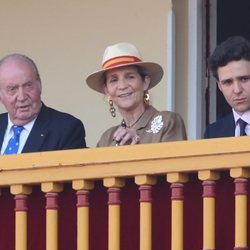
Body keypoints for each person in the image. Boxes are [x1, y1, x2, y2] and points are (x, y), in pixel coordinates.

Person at [86, 42, 187, 146]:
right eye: (114, 80)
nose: (122, 86)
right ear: (106, 90)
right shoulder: (107, 139)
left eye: (130, 77)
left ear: (145, 82)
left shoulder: (167, 121)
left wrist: (137, 143)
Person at [0, 53, 87, 154]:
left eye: (28, 85)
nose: (22, 97)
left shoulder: (67, 129)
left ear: (39, 85)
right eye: (12, 89)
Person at [204, 36, 250, 138]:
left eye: (244, 79)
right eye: (228, 82)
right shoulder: (213, 133)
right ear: (219, 85)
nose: (237, 90)